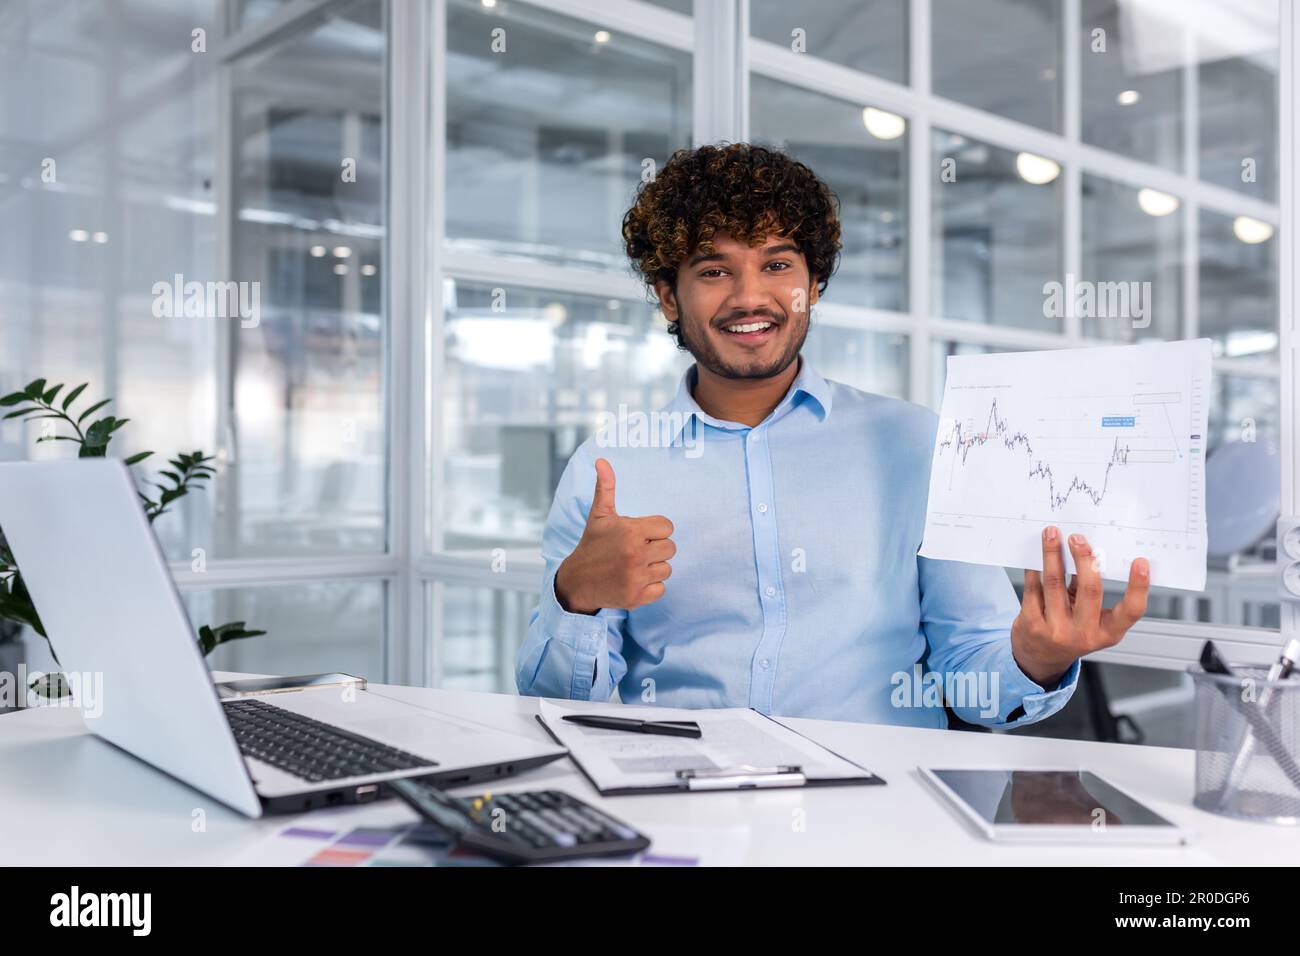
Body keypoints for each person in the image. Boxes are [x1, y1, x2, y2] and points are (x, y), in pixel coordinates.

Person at [516, 143, 1149, 728]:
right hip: (691, 815)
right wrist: (577, 599)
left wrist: (1035, 657)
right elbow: (559, 709)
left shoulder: (917, 444)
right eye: (714, 270)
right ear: (668, 296)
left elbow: (974, 673)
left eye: (778, 264)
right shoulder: (610, 468)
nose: (750, 297)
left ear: (813, 287)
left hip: (886, 822)